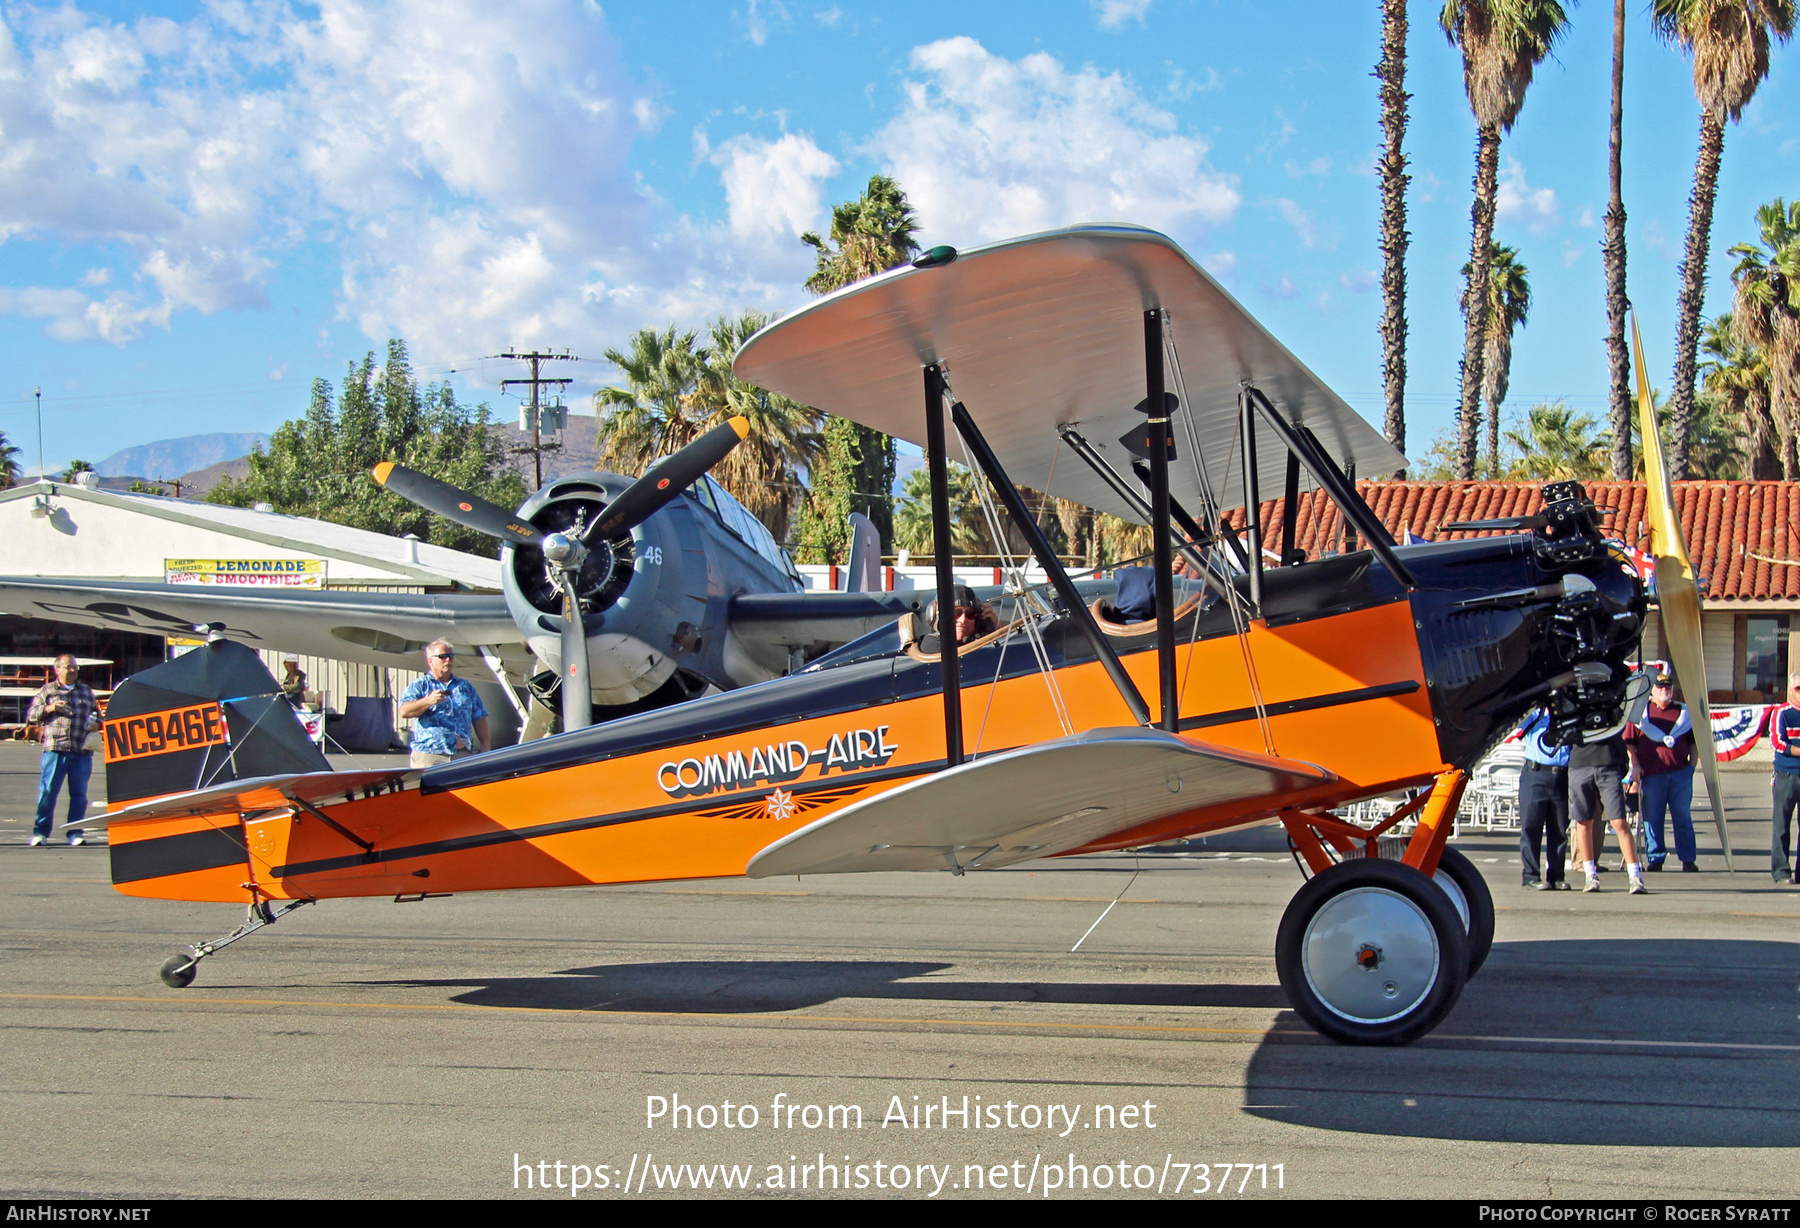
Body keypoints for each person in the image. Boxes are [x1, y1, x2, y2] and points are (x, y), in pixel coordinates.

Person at [1622, 671, 1698, 872]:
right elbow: (1630, 743)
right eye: (1660, 687)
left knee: (1682, 817)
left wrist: (1692, 766)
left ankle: (1688, 858)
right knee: (1652, 818)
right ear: (1652, 690)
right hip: (1652, 774)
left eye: (1668, 688)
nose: (1665, 691)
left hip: (1680, 773)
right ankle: (1655, 858)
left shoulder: (1684, 713)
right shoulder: (1641, 713)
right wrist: (1635, 765)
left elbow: (1694, 743)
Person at [25, 654, 100, 847]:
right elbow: (32, 716)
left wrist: (97, 723)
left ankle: (74, 832)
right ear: (57, 669)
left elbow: (98, 716)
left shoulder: (85, 691)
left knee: (79, 795)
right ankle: (41, 832)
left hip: (81, 750)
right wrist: (49, 708)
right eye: (68, 667)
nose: (72, 670)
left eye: (74, 667)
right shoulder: (48, 690)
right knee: (48, 792)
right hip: (56, 749)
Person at [1568, 728, 1646, 894]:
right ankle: (1590, 874)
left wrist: (1621, 767)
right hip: (1580, 762)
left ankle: (1634, 876)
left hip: (1608, 762)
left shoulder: (1610, 705)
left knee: (1618, 820)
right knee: (1583, 821)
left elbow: (1621, 725)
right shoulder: (1575, 706)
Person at [398, 640, 490, 769]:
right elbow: (404, 711)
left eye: (451, 656)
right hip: (430, 755)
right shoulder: (420, 686)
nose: (448, 660)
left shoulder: (464, 686)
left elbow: (479, 716)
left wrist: (486, 747)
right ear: (430, 661)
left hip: (461, 754)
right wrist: (428, 701)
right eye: (442, 657)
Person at [1515, 706, 1570, 890]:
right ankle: (1531, 875)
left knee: (1560, 829)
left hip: (1562, 774)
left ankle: (1556, 875)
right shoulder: (1536, 715)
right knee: (1531, 827)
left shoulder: (1570, 715)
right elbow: (1516, 721)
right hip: (1535, 773)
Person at [1768, 672, 1800, 884]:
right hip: (1786, 775)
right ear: (1790, 690)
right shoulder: (1782, 712)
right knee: (1781, 824)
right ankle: (1781, 871)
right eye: (1799, 688)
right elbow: (1778, 743)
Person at [921, 584, 998, 651]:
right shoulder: (932, 645)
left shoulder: (975, 641)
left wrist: (996, 627)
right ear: (936, 616)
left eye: (970, 613)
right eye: (955, 613)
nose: (963, 620)